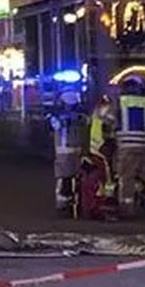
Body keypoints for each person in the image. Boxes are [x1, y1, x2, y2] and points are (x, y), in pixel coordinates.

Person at [106, 75, 145, 216]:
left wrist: (111, 137)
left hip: (126, 145)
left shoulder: (119, 102)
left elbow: (109, 121)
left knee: (126, 177)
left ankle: (127, 207)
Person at [48, 81, 86, 213]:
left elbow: (54, 127)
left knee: (63, 179)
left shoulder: (56, 116)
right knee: (76, 179)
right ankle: (75, 203)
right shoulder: (81, 115)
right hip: (78, 152)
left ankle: (63, 204)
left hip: (63, 152)